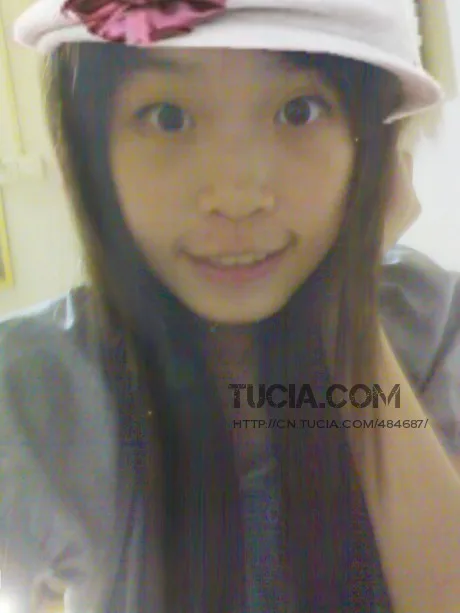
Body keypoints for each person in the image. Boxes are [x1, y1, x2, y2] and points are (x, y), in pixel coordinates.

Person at [1, 0, 460, 612]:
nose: (237, 197)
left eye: (299, 111)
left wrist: (347, 313)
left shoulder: (431, 325)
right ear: (89, 148)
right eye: (168, 117)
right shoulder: (34, 390)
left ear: (370, 142)